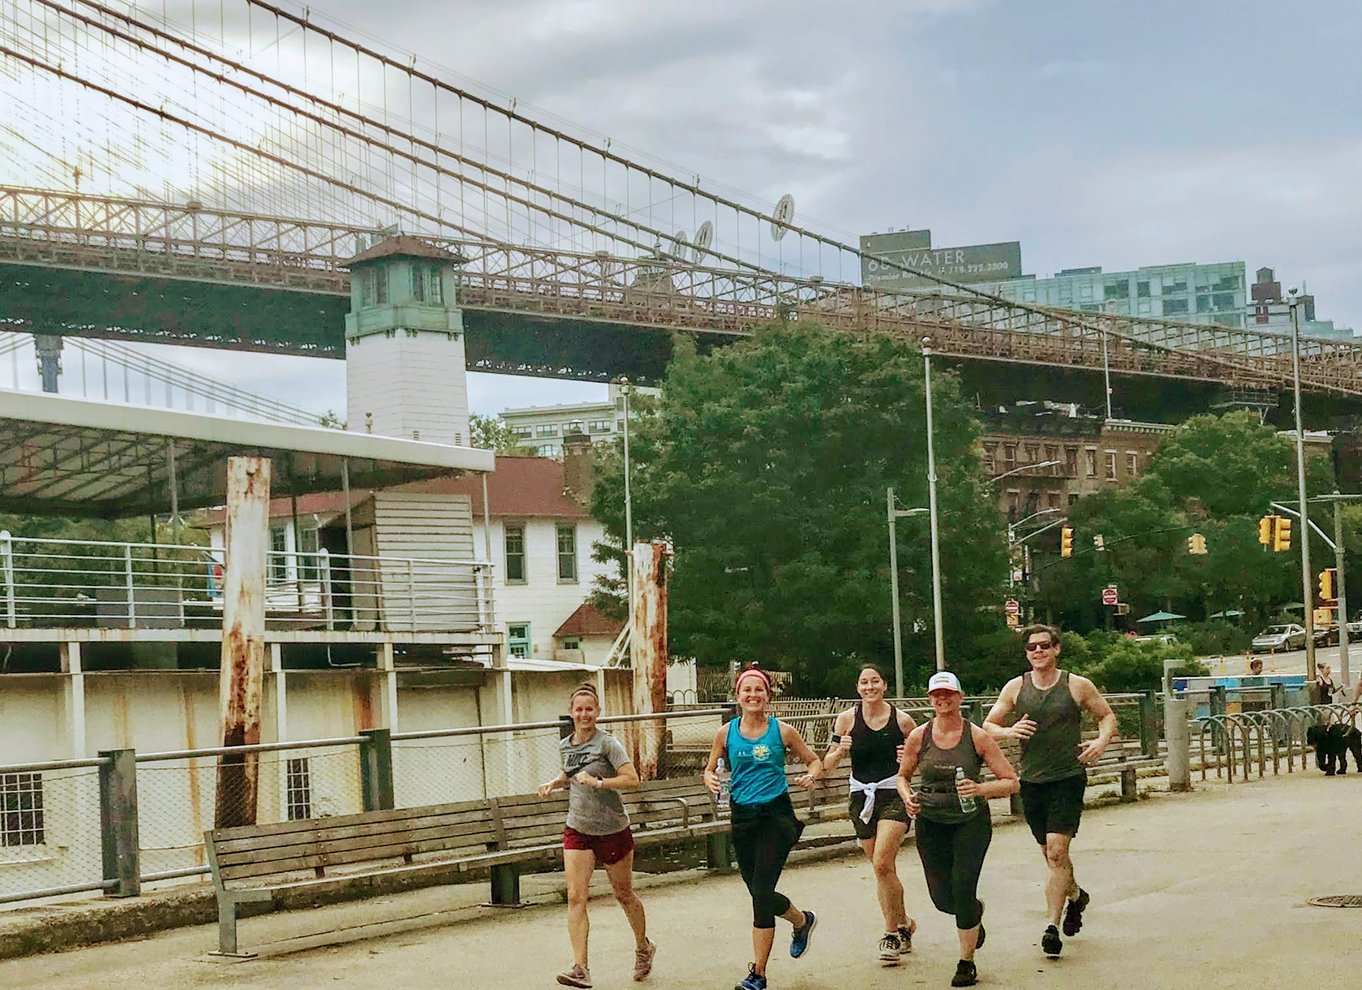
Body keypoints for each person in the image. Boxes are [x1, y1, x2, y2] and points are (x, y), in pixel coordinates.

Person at [983, 624, 1117, 960]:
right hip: (1032, 781)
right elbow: (988, 725)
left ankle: (1051, 927)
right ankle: (1075, 896)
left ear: (1057, 648)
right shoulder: (1016, 687)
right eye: (1032, 648)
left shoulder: (1076, 685)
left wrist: (1101, 742)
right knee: (1050, 855)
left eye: (1044, 646)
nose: (1038, 652)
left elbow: (1106, 716)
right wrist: (1009, 730)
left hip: (1067, 777)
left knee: (1057, 852)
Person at [703, 664, 825, 990]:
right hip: (743, 818)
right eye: (747, 690)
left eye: (759, 690)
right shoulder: (725, 733)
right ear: (738, 696)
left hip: (777, 816)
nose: (753, 695)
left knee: (760, 893)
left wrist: (812, 774)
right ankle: (801, 921)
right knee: (759, 890)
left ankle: (757, 974)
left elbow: (814, 760)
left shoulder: (783, 731)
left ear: (768, 696)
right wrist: (711, 777)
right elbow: (709, 767)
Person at [897, 670, 1019, 988]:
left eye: (948, 694)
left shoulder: (976, 736)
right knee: (942, 899)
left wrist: (980, 790)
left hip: (970, 822)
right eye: (937, 695)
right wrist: (907, 797)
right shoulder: (918, 737)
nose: (943, 700)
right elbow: (902, 776)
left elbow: (1011, 781)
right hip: (931, 821)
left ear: (959, 698)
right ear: (930, 700)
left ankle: (966, 962)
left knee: (963, 889)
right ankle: (973, 915)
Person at [538, 684, 656, 988]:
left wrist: (598, 782)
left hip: (612, 829)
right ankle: (581, 968)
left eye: (589, 709)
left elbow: (633, 779)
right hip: (578, 828)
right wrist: (555, 782)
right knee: (576, 896)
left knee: (623, 894)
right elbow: (571, 771)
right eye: (578, 709)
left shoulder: (608, 744)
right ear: (571, 712)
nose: (583, 714)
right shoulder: (566, 744)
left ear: (598, 712)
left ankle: (644, 948)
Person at [821, 663, 918, 965]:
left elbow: (922, 757)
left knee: (881, 862)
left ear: (885, 685)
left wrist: (908, 760)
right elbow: (827, 765)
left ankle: (890, 934)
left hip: (893, 794)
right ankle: (904, 925)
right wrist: (839, 751)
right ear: (858, 687)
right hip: (861, 796)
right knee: (883, 870)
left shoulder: (902, 721)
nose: (870, 687)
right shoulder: (846, 720)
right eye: (864, 682)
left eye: (875, 681)